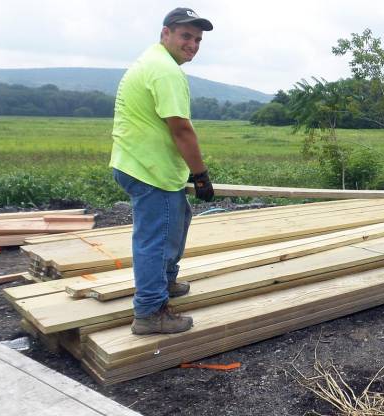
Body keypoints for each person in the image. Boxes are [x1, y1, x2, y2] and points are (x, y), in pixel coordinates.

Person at [110, 7, 215, 335]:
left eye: (197, 39)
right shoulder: (166, 71)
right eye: (186, 36)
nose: (193, 44)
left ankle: (164, 282)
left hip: (145, 164)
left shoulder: (153, 62)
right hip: (148, 170)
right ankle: (150, 312)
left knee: (175, 223)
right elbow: (181, 129)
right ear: (165, 33)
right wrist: (200, 175)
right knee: (156, 239)